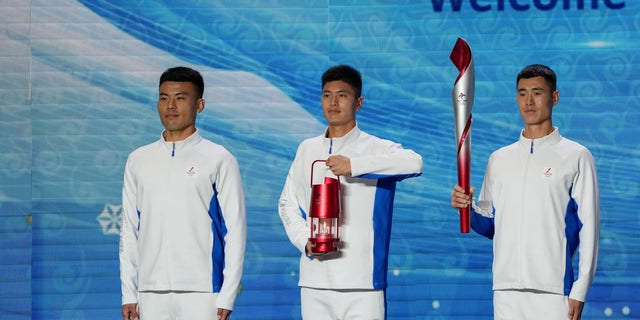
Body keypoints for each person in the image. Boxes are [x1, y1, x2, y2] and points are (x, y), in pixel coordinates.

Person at [451, 64, 600, 320]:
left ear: (554, 98)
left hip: (554, 291)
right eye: (522, 93)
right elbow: (489, 225)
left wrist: (580, 288)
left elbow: (590, 230)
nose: (528, 101)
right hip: (506, 290)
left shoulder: (576, 156)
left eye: (537, 93)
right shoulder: (499, 159)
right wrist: (466, 207)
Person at [278, 65, 423, 319]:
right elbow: (287, 204)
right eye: (327, 95)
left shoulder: (376, 147)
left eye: (342, 95)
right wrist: (305, 242)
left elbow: (414, 163)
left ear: (358, 103)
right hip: (314, 282)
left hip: (362, 284)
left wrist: (354, 166)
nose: (333, 102)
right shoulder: (307, 148)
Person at [119, 66, 246, 320]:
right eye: (164, 98)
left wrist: (227, 292)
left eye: (180, 98)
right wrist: (129, 293)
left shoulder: (219, 158)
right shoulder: (138, 159)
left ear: (199, 105)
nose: (171, 106)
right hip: (150, 292)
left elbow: (235, 229)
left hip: (202, 292)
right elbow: (129, 229)